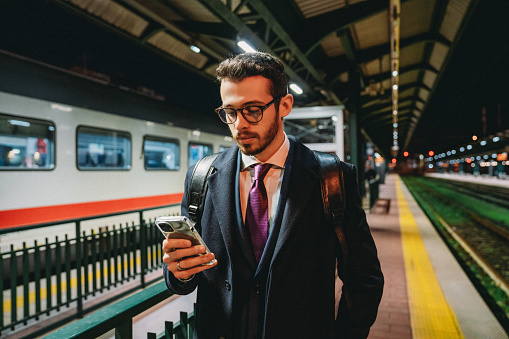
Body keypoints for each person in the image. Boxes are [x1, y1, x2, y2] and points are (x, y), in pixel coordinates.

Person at [162, 52, 384, 338]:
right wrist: (180, 271)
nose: (239, 125)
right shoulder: (201, 177)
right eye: (230, 112)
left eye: (253, 109)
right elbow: (183, 279)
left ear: (284, 105)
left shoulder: (331, 178)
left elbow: (364, 279)